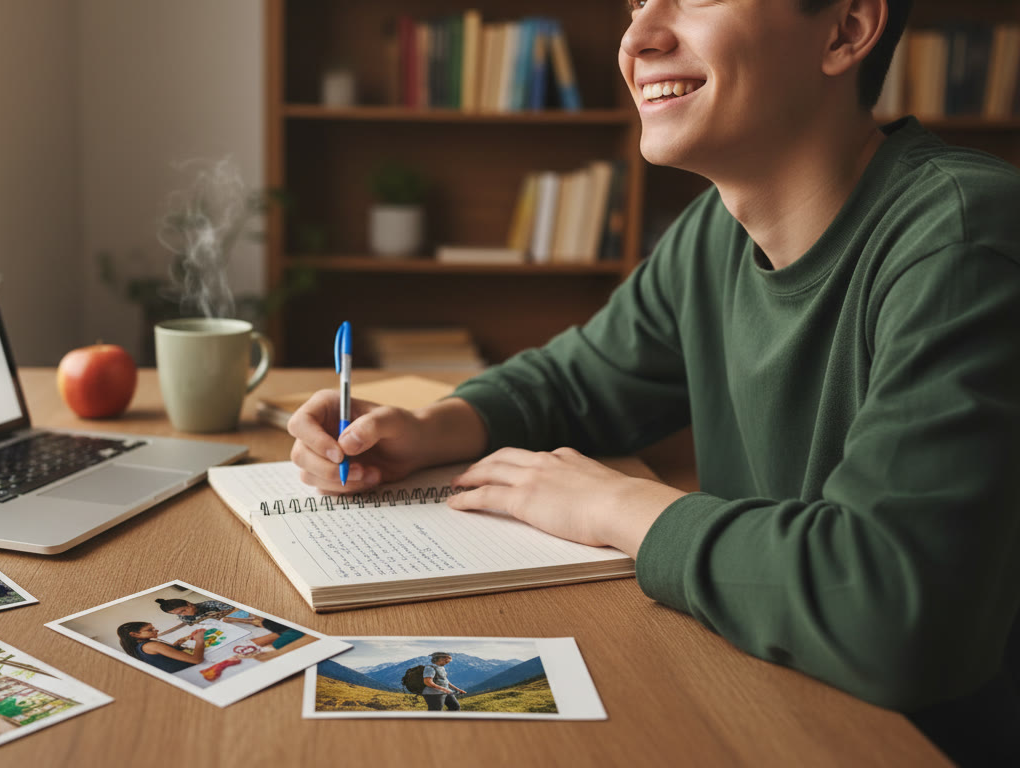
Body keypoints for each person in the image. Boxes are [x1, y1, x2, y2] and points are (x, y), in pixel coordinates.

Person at [287, 1, 1020, 763]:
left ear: (845, 30)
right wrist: (429, 427)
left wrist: (621, 508)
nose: (637, 38)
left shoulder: (964, 240)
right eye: (637, 2)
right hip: (761, 697)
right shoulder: (713, 233)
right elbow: (577, 381)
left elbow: (895, 612)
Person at [117, 621, 210, 674]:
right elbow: (197, 660)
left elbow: (165, 655)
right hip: (192, 672)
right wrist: (199, 639)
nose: (156, 630)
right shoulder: (151, 645)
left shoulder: (140, 646)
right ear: (134, 634)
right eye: (150, 630)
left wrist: (178, 643)